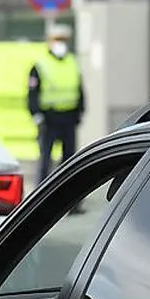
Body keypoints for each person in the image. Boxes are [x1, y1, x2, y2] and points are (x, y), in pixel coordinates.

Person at [28, 24, 85, 183]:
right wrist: (36, 114)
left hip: (68, 118)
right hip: (49, 118)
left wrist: (80, 111)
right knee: (45, 160)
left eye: (63, 39)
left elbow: (79, 89)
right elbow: (32, 92)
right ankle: (40, 197)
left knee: (70, 161)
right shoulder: (40, 64)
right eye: (57, 39)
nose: (60, 43)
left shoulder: (72, 62)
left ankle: (72, 198)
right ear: (49, 41)